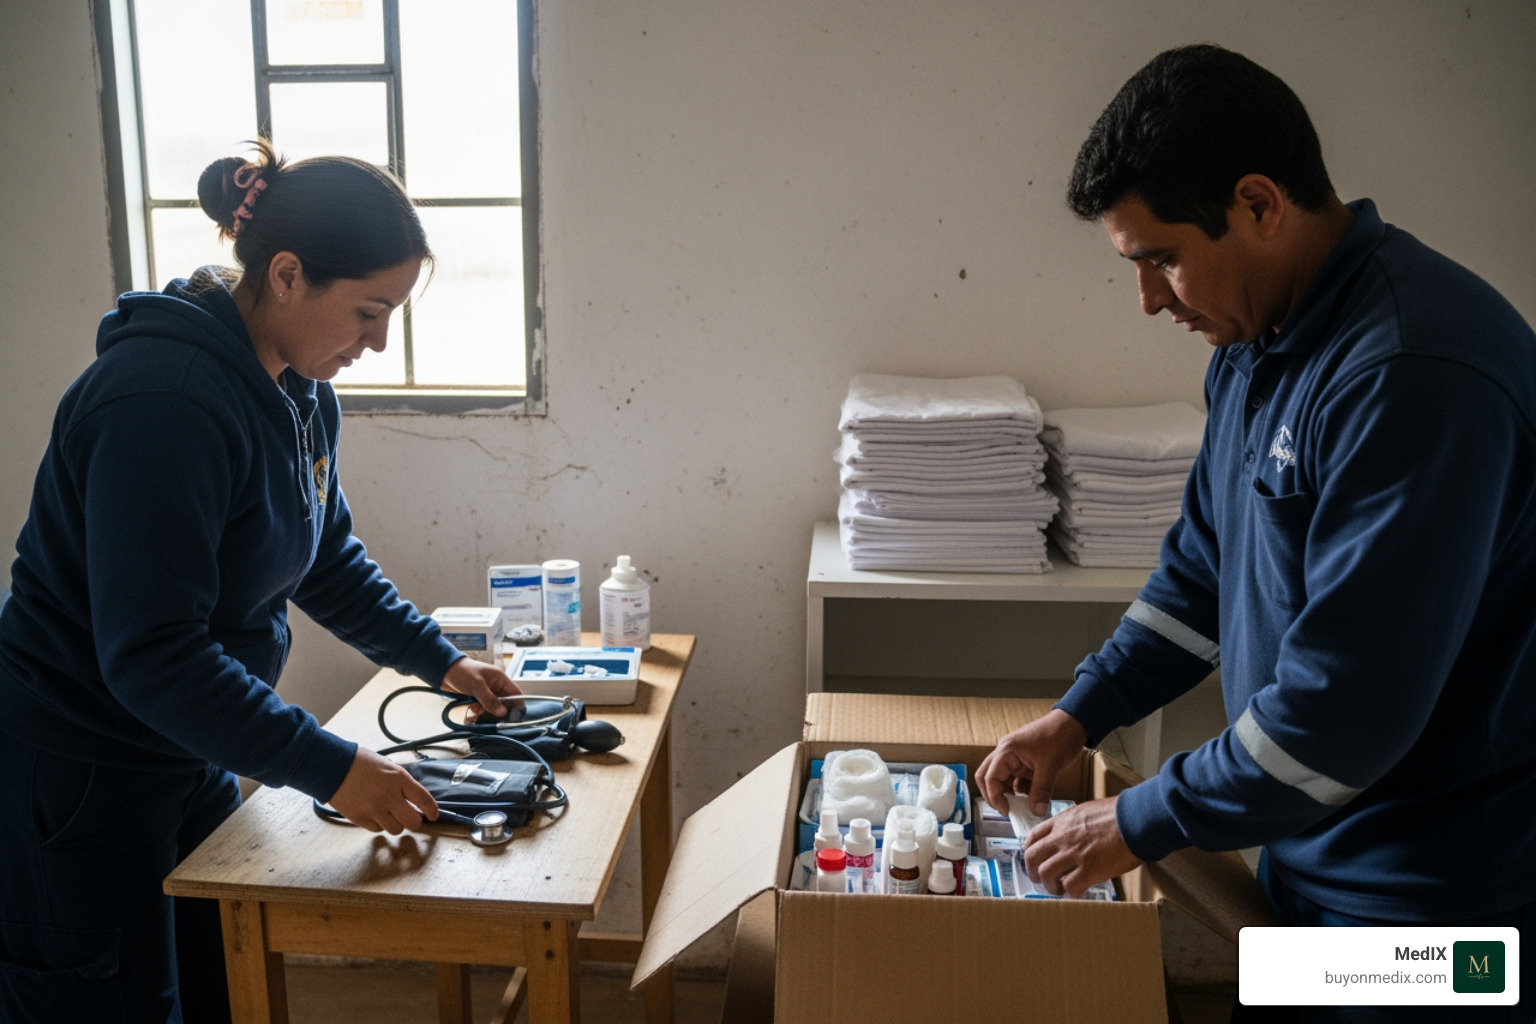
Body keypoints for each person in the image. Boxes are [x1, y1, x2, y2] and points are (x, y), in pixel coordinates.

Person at [977, 44, 1535, 1022]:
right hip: (1310, 860)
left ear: (1259, 205)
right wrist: (1081, 712)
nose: (1150, 299)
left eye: (1161, 259)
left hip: (1436, 913)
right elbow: (1203, 572)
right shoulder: (1258, 341)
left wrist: (1140, 818)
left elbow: (1343, 712)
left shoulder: (1412, 375)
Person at [0, 140, 520, 1023]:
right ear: (286, 275)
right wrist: (329, 768)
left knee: (213, 987)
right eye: (367, 310)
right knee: (102, 1005)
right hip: (83, 764)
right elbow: (154, 656)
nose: (379, 340)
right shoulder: (162, 404)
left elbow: (319, 551)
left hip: (186, 749)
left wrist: (436, 659)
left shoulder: (298, 386)